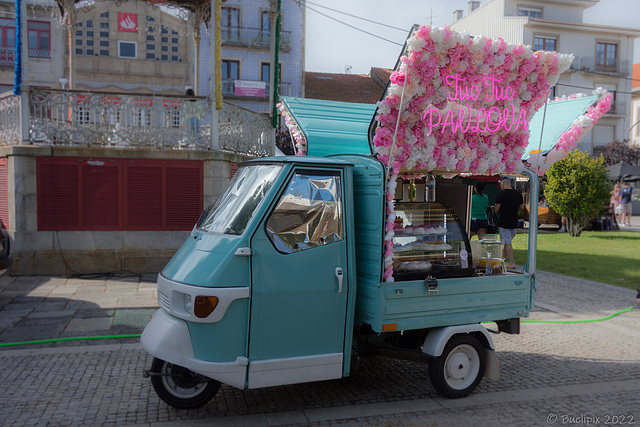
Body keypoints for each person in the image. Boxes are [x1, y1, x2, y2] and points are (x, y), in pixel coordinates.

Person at [494, 176, 524, 269]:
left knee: (507, 243)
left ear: (502, 185)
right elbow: (521, 207)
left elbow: (496, 208)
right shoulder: (518, 194)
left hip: (504, 222)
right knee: (507, 242)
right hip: (514, 222)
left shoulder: (501, 195)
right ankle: (502, 260)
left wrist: (495, 210)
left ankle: (512, 262)